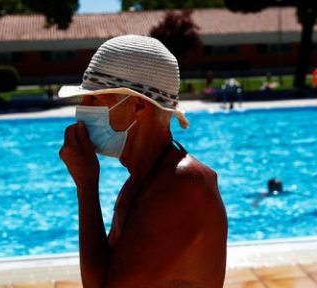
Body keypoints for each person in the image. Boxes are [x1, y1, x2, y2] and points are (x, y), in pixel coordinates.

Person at [58, 35, 228, 287]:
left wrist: (86, 185)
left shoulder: (184, 185)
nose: (82, 108)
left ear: (137, 105)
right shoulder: (146, 180)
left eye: (94, 98)